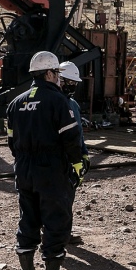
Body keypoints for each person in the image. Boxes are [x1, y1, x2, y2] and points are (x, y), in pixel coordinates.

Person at [6, 51, 86, 270]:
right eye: (58, 74)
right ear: (50, 73)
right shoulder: (58, 101)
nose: (60, 79)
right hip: (51, 171)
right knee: (55, 220)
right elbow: (71, 139)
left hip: (24, 169)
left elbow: (11, 141)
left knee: (28, 220)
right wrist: (78, 165)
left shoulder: (15, 103)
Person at [58, 61, 91, 246]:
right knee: (56, 200)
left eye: (73, 84)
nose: (70, 87)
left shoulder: (73, 104)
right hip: (59, 161)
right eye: (67, 82)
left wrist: (83, 155)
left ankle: (65, 233)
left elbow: (78, 134)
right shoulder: (54, 103)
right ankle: (54, 236)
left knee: (68, 198)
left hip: (73, 159)